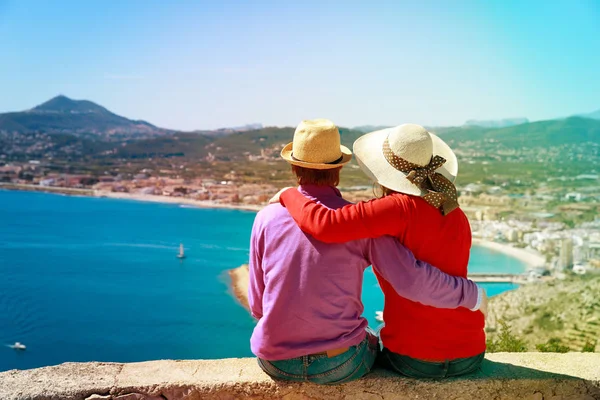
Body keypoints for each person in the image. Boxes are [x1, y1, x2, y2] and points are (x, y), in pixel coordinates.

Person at [249, 119, 486, 385]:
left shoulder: (267, 218)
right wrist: (472, 295)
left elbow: (324, 225)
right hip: (465, 351)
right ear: (339, 169)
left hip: (279, 361)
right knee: (367, 338)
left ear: (293, 167)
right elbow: (415, 275)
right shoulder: (453, 211)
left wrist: (289, 195)